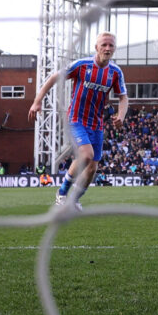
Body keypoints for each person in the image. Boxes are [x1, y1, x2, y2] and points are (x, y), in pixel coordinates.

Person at [28, 32, 128, 209]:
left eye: (111, 45)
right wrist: (37, 102)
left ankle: (74, 199)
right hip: (76, 119)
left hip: (97, 124)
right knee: (86, 155)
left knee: (92, 169)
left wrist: (121, 116)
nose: (107, 48)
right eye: (104, 44)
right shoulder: (82, 65)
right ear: (96, 47)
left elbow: (123, 97)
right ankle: (62, 193)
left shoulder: (115, 72)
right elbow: (53, 78)